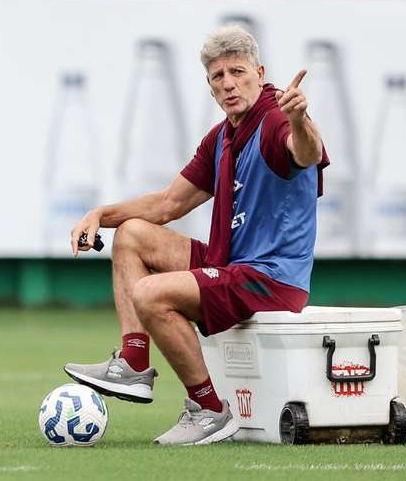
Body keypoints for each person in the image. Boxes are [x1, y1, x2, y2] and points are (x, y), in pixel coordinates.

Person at [64, 25, 328, 446]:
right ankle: (134, 362)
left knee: (150, 293)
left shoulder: (278, 119)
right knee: (131, 234)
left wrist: (299, 118)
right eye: (217, 77)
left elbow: (306, 153)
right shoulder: (222, 137)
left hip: (270, 279)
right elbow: (168, 205)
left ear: (259, 73)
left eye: (237, 72)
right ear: (209, 87)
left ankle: (208, 410)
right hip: (233, 266)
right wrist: (100, 214)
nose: (228, 84)